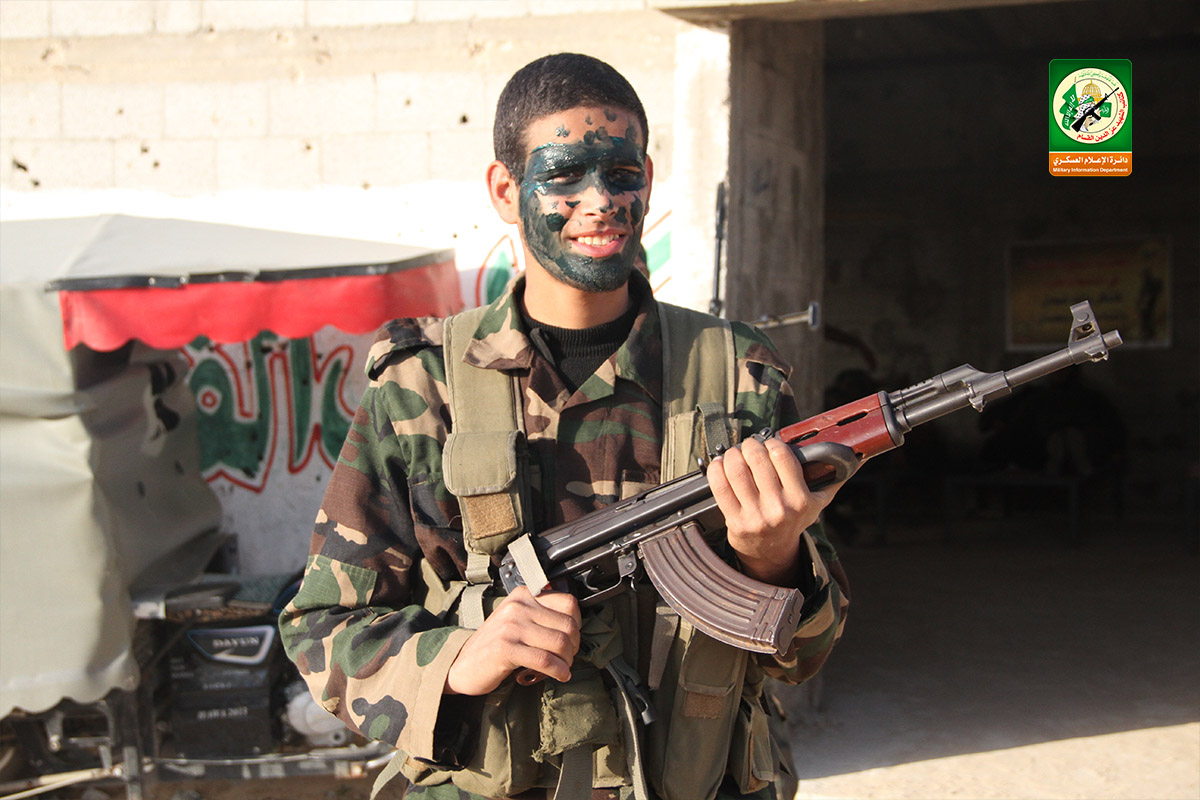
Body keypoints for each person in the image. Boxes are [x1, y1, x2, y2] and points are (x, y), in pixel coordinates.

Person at [279, 53, 850, 800]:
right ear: (505, 190)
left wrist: (772, 559)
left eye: (621, 173)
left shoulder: (738, 374)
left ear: (647, 178)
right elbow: (323, 627)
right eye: (565, 175)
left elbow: (808, 651)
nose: (600, 201)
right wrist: (460, 658)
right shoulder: (424, 385)